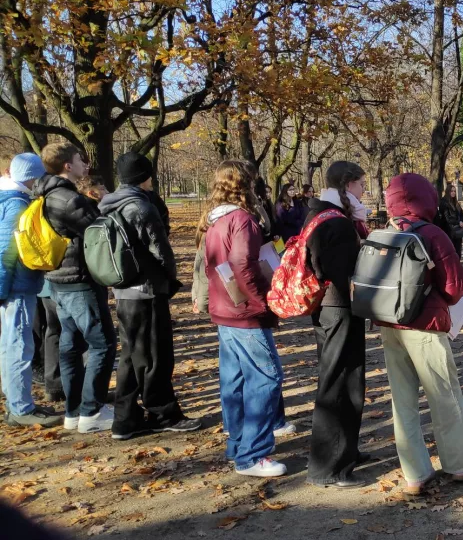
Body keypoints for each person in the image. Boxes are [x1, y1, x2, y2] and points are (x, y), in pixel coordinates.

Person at [376, 173, 463, 495]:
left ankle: (414, 472)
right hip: (425, 327)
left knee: (402, 401)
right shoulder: (431, 233)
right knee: (444, 396)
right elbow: (454, 288)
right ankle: (459, 463)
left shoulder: (383, 232)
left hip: (389, 324)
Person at [99, 153, 200, 440]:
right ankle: (163, 414)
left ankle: (125, 420)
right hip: (147, 289)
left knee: (131, 356)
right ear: (145, 175)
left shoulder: (109, 203)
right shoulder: (141, 207)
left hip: (124, 290)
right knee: (157, 357)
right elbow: (161, 250)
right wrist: (170, 280)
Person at [199, 160, 287, 477]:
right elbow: (242, 265)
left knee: (234, 379)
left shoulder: (214, 220)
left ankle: (238, 444)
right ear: (247, 185)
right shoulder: (242, 220)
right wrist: (263, 300)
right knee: (266, 378)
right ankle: (252, 454)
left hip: (226, 311)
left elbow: (213, 266)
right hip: (245, 313)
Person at [33, 143, 117, 433]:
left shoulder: (44, 194)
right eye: (81, 159)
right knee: (102, 343)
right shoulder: (69, 200)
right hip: (79, 282)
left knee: (70, 346)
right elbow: (101, 231)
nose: (85, 164)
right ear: (68, 165)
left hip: (58, 281)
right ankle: (92, 412)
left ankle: (74, 411)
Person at [303, 162, 369, 488]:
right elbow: (341, 274)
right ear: (347, 184)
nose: (364, 190)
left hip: (329, 308)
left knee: (346, 381)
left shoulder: (318, 213)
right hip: (339, 307)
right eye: (361, 184)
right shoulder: (338, 222)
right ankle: (329, 467)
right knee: (339, 385)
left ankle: (345, 451)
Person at [0, 153, 64, 427]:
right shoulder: (17, 203)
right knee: (19, 346)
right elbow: (6, 251)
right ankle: (21, 408)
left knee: (11, 345)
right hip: (17, 288)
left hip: (14, 286)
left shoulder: (9, 198)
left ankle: (16, 402)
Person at [439, 183, 463, 261]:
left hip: (457, 231)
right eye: (451, 191)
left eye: (454, 191)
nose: (453, 193)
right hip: (448, 230)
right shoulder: (444, 203)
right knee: (451, 250)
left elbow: (462, 214)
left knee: (458, 250)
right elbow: (447, 218)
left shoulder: (456, 203)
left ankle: (458, 264)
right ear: (448, 192)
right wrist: (458, 222)